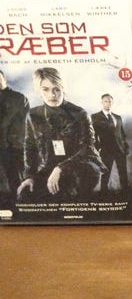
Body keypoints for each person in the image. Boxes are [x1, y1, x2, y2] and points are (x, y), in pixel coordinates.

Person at [17, 68, 107, 202]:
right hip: (48, 168)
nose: (52, 94)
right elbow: (30, 147)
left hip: (80, 166)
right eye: (45, 89)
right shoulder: (33, 115)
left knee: (79, 186)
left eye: (56, 89)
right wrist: (29, 176)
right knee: (25, 194)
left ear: (63, 89)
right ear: (39, 91)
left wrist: (60, 168)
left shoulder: (80, 114)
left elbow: (87, 148)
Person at [91, 93, 129, 193]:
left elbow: (122, 134)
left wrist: (125, 147)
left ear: (112, 103)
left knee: (123, 172)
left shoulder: (118, 117)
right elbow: (93, 135)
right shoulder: (95, 116)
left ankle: (126, 192)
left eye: (110, 101)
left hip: (120, 150)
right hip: (106, 150)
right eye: (106, 101)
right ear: (102, 102)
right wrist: (98, 148)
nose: (108, 103)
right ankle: (104, 193)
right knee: (106, 173)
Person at [0, 70, 30, 196]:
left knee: (15, 180)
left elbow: (22, 124)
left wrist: (15, 144)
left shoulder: (18, 98)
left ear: (4, 79)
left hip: (12, 147)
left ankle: (20, 202)